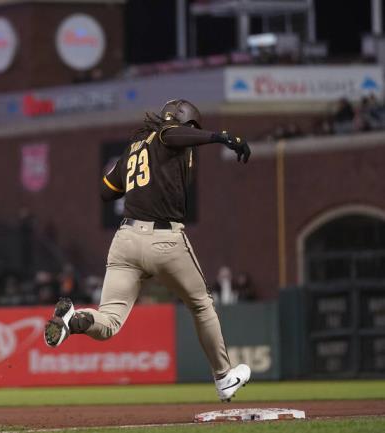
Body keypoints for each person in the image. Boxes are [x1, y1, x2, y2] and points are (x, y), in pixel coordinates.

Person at [43, 99, 252, 402]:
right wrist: (221, 137)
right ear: (186, 123)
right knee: (202, 305)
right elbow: (173, 136)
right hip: (165, 239)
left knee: (110, 321)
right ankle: (223, 378)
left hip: (126, 239)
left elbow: (105, 191)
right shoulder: (171, 134)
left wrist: (136, 175)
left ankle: (75, 321)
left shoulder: (137, 144)